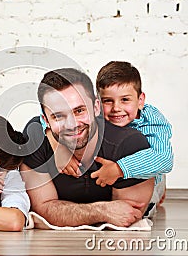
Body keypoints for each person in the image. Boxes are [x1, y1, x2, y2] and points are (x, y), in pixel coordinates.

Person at [20, 68, 154, 227]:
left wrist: (69, 212)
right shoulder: (35, 140)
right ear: (46, 120)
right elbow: (43, 209)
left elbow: (128, 215)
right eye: (58, 116)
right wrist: (101, 210)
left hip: (143, 165)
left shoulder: (129, 144)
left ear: (96, 107)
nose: (72, 125)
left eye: (79, 110)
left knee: (155, 191)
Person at [52, 61, 173, 215]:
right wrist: (59, 148)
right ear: (97, 102)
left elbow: (164, 158)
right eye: (108, 101)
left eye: (125, 100)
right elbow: (47, 118)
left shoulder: (152, 120)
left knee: (148, 199)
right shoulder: (94, 112)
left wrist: (118, 169)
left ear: (140, 100)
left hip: (144, 177)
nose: (116, 108)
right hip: (107, 179)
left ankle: (158, 190)